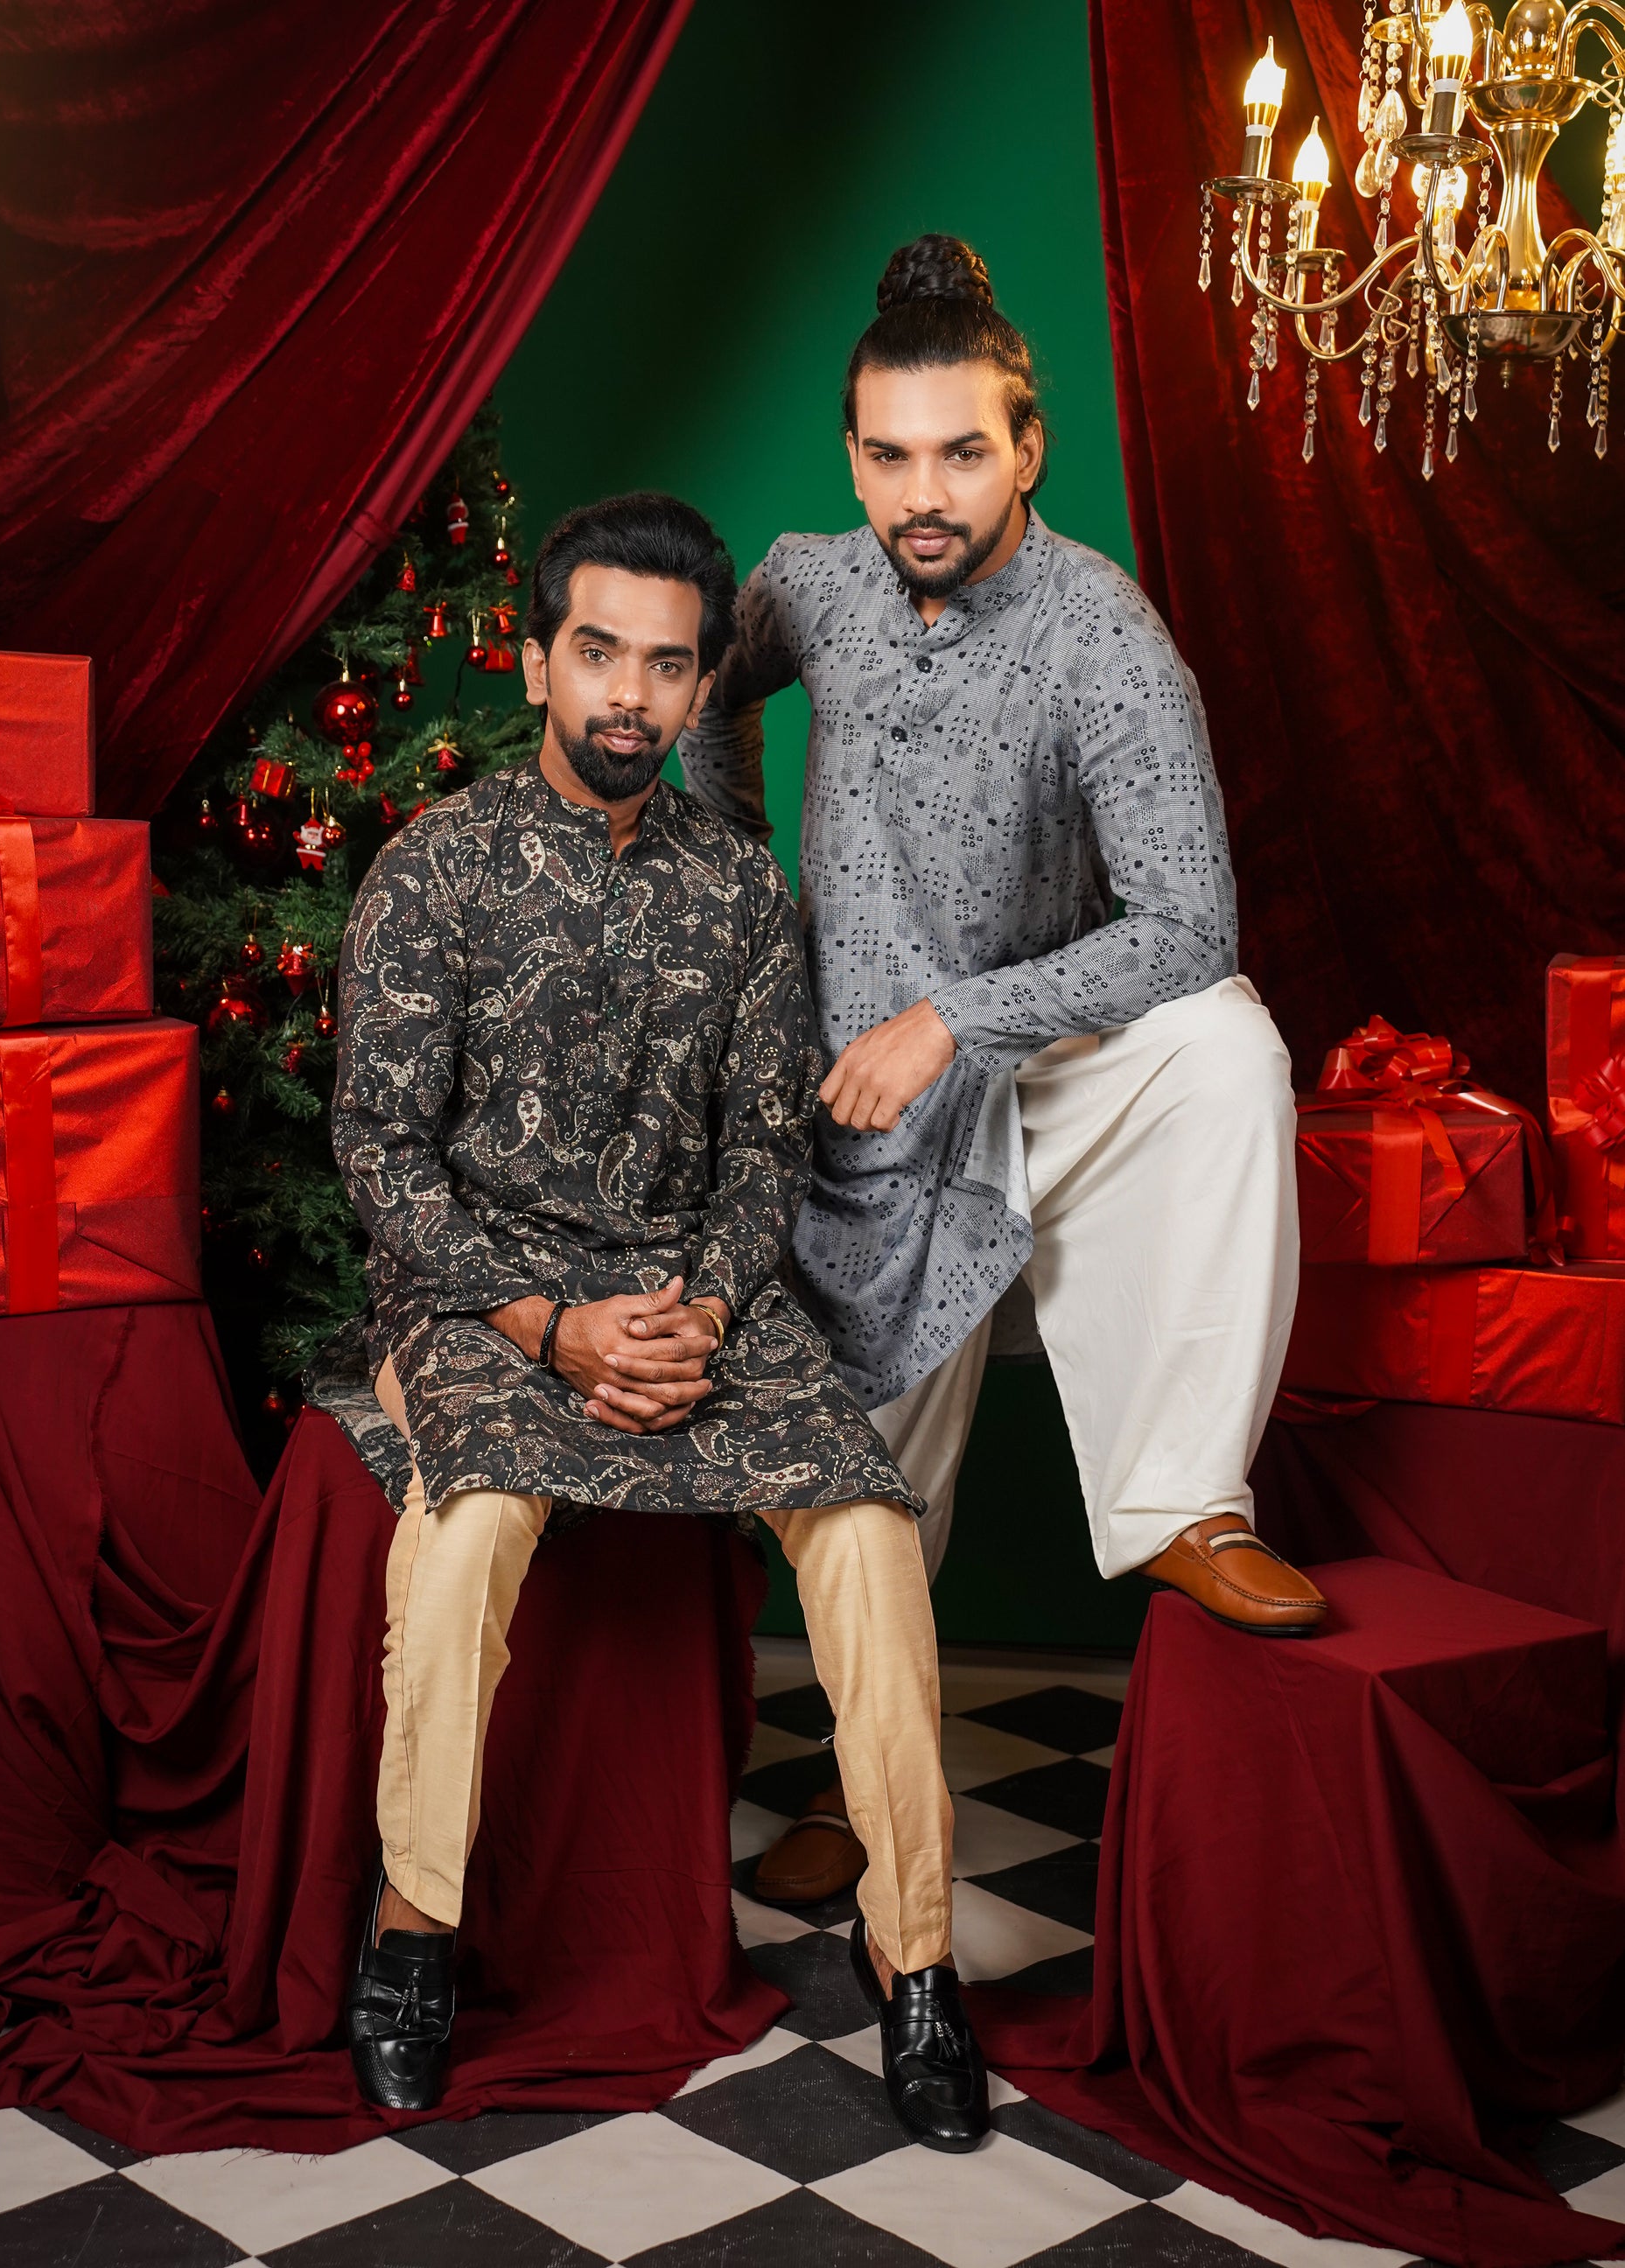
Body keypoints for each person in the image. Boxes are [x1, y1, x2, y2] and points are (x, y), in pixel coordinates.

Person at [330, 491, 988, 2149]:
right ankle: (412, 1931)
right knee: (469, 1531)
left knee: (866, 1529)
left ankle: (916, 1960)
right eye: (599, 653)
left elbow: (765, 1148)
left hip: (691, 1299)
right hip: (478, 1299)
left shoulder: (740, 889)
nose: (631, 694)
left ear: (701, 686)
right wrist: (549, 1324)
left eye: (669, 666)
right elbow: (381, 1151)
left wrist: (694, 1309)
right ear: (538, 661)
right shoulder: (435, 868)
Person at [681, 237, 1322, 1910]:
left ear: (1028, 446)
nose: (924, 493)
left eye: (962, 452)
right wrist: (745, 882)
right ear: (849, 458)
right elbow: (701, 692)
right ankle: (862, 1783)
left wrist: (957, 1018)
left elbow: (1187, 921)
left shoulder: (1104, 632)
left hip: (1035, 1061)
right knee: (877, 1476)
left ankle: (1184, 1504)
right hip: (855, 1094)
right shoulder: (808, 584)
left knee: (1224, 1046)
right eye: (890, 455)